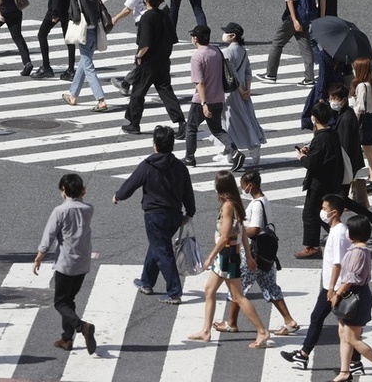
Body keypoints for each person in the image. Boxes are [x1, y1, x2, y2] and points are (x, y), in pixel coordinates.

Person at [188, 171, 272, 346]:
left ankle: (262, 331)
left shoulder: (228, 206)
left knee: (238, 296)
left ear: (220, 187)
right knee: (209, 291)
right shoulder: (235, 203)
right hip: (228, 255)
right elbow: (241, 233)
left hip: (226, 255)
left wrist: (210, 257)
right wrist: (248, 256)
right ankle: (205, 331)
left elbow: (226, 236)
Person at [113, 125, 195, 305]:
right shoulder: (180, 167)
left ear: (155, 144)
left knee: (162, 251)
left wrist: (118, 195)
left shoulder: (148, 165)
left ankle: (174, 291)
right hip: (174, 216)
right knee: (158, 246)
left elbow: (131, 183)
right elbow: (188, 192)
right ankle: (146, 281)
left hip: (155, 216)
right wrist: (189, 212)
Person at [282, 195, 362, 375]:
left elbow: (338, 263)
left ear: (334, 213)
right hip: (332, 286)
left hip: (335, 288)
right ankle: (355, 362)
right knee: (341, 325)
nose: (322, 211)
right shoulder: (335, 230)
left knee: (322, 319)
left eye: (325, 209)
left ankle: (303, 355)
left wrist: (333, 289)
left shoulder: (340, 233)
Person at [224, 170, 300, 336]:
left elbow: (255, 230)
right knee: (270, 286)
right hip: (266, 254)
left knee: (237, 287)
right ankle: (289, 321)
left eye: (243, 186)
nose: (242, 189)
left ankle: (231, 323)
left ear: (250, 186)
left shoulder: (257, 204)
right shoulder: (264, 200)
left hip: (254, 254)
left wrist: (238, 229)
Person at [33, 173, 97, 354]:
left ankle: (82, 326)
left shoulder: (60, 211)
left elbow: (49, 235)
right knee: (69, 301)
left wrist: (39, 256)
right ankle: (66, 339)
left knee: (60, 303)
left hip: (65, 263)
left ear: (63, 190)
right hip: (82, 263)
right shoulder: (88, 208)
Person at [330, 215, 372, 382]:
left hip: (356, 296)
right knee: (343, 334)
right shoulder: (358, 249)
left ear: (354, 232)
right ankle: (345, 372)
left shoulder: (358, 252)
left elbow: (351, 279)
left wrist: (337, 294)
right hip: (354, 294)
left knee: (352, 338)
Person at [123, 0, 185, 137]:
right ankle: (181, 122)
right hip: (163, 60)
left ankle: (134, 123)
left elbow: (145, 43)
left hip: (148, 63)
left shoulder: (147, 17)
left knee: (138, 93)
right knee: (166, 92)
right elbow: (172, 38)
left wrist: (139, 56)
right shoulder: (165, 15)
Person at [329, 83, 372, 239]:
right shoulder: (344, 114)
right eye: (331, 98)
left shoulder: (347, 118)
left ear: (343, 99)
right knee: (341, 199)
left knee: (339, 199)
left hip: (346, 163)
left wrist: (339, 167)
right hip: (348, 163)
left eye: (335, 98)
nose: (332, 101)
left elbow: (345, 146)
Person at [182, 24, 244, 169]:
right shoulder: (216, 50)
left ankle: (189, 158)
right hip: (219, 98)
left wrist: (204, 104)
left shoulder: (197, 56)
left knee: (191, 128)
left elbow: (200, 83)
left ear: (195, 39)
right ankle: (235, 152)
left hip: (202, 101)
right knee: (217, 130)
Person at [257, 0, 315, 86]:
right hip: (305, 13)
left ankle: (271, 74)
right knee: (305, 46)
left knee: (277, 43)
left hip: (293, 15)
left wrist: (294, 20)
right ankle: (309, 77)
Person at [295, 102, 344, 259]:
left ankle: (312, 247)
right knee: (327, 214)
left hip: (319, 182)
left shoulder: (320, 138)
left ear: (314, 118)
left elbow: (313, 164)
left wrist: (302, 157)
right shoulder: (332, 134)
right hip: (332, 180)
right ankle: (341, 239)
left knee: (310, 214)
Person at [110, 0, 161, 96]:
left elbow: (128, 9)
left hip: (144, 23)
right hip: (157, 21)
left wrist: (114, 19)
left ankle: (127, 84)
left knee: (141, 55)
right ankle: (127, 83)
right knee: (147, 55)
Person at [61, 0, 109, 113]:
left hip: (84, 34)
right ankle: (73, 95)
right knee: (83, 62)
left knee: (88, 67)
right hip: (95, 32)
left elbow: (75, 17)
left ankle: (100, 100)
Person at [219, 22, 265, 167]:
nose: (224, 34)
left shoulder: (226, 52)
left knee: (231, 120)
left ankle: (244, 148)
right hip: (244, 90)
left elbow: (231, 74)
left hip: (232, 92)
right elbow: (247, 71)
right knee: (246, 117)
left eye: (227, 32)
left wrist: (240, 90)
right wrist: (247, 90)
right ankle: (238, 149)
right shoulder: (242, 50)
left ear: (233, 36)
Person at [350, 57, 372, 192]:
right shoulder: (371, 84)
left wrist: (353, 123)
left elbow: (359, 108)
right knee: (370, 154)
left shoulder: (362, 86)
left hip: (362, 121)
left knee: (358, 152)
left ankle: (360, 180)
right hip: (370, 120)